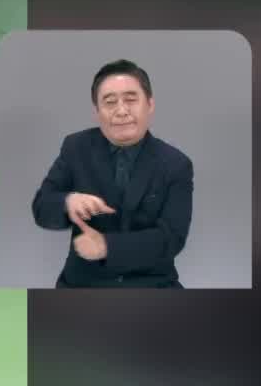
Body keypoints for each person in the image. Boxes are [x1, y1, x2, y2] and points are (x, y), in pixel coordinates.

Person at [30, 59, 195, 288]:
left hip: (151, 285)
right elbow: (41, 208)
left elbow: (172, 238)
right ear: (97, 111)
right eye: (109, 102)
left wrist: (106, 246)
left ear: (150, 104)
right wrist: (68, 202)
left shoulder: (176, 164)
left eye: (130, 99)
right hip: (83, 285)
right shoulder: (76, 148)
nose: (121, 111)